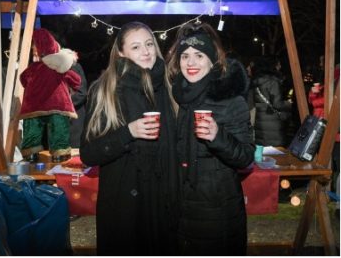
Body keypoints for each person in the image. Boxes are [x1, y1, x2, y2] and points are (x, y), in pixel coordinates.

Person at [80, 21, 179, 255]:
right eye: (135, 47)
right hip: (123, 206)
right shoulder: (106, 90)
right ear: (121, 53)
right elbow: (89, 153)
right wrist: (128, 133)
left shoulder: (168, 86)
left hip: (164, 202)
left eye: (149, 44)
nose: (145, 51)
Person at [167, 23, 254, 255]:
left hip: (217, 211)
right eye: (185, 56)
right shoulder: (177, 97)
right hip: (181, 207)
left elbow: (246, 157)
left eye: (199, 55)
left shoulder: (230, 100)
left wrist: (218, 137)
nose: (191, 63)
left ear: (212, 60)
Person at [17, 28, 81, 162]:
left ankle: (31, 153)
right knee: (59, 129)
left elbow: (23, 79)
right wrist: (73, 87)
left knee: (32, 130)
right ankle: (60, 153)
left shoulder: (33, 68)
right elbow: (76, 80)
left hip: (34, 106)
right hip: (57, 105)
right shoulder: (60, 67)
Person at [247, 56, 290, 146]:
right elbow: (277, 104)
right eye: (278, 64)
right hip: (272, 124)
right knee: (275, 151)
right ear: (272, 66)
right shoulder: (273, 82)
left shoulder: (256, 81)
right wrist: (288, 104)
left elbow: (252, 102)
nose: (280, 66)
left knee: (263, 149)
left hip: (260, 122)